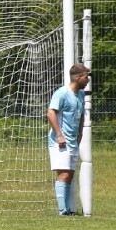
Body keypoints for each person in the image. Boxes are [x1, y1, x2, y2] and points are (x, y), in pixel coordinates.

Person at [46, 63, 90, 216]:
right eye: (86, 77)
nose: (88, 80)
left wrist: (79, 134)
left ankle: (69, 209)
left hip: (72, 141)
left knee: (70, 174)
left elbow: (82, 115)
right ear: (77, 78)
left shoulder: (81, 95)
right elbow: (51, 113)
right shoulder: (62, 93)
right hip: (60, 141)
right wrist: (59, 135)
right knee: (64, 174)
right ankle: (62, 210)